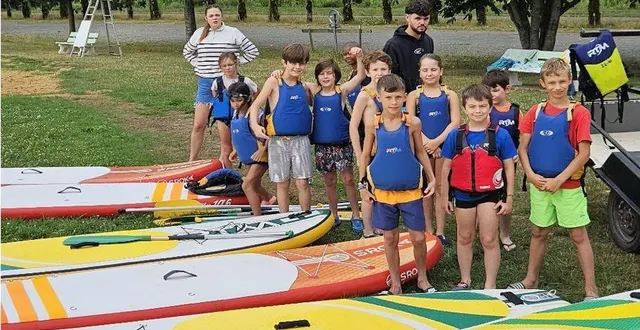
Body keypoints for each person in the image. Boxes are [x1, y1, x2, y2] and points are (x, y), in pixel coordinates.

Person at [508, 59, 599, 301]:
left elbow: (584, 154)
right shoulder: (535, 113)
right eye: (552, 82)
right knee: (538, 231)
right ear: (543, 84)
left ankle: (591, 289)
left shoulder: (578, 113)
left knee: (578, 235)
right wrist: (529, 173)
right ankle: (530, 279)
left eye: (561, 81)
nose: (557, 87)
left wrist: (559, 179)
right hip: (539, 185)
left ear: (569, 81)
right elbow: (523, 148)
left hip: (567, 186)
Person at [359, 74, 437, 295]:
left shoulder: (412, 123)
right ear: (379, 98)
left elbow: (421, 152)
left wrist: (431, 178)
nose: (393, 102)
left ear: (404, 97)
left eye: (397, 97)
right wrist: (362, 184)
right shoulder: (373, 123)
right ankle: (395, 282)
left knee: (418, 237)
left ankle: (422, 277)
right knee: (390, 237)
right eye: (388, 97)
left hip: (411, 191)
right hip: (383, 194)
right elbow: (365, 155)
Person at [272, 49, 366, 231]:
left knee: (348, 180)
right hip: (323, 147)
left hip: (341, 145)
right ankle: (334, 214)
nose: (325, 77)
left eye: (329, 73)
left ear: (336, 75)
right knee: (329, 181)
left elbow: (360, 76)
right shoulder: (312, 90)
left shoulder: (342, 91)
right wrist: (276, 73)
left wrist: (360, 58)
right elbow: (289, 78)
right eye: (322, 74)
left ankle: (356, 213)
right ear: (317, 77)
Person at [441, 84, 516, 291]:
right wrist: (444, 196)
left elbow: (509, 166)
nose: (478, 111)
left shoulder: (500, 135)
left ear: (490, 107)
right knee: (464, 237)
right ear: (465, 108)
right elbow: (446, 167)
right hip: (463, 194)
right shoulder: (454, 136)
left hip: (489, 195)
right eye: (472, 106)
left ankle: (490, 284)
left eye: (482, 106)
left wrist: (508, 197)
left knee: (489, 238)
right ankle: (465, 280)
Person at [183, 4, 259, 162]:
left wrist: (234, 65)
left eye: (217, 15)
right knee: (199, 124)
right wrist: (198, 64)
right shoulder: (199, 34)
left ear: (222, 16)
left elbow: (253, 51)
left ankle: (227, 161)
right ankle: (191, 160)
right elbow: (187, 51)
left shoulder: (233, 33)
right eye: (211, 16)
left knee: (227, 123)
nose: (214, 18)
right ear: (206, 18)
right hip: (205, 82)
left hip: (226, 84)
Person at [249, 44, 314, 214]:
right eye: (293, 63)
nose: (297, 67)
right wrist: (255, 126)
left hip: (300, 140)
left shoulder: (306, 86)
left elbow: (334, 88)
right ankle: (284, 216)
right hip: (278, 142)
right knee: (282, 182)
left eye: (301, 64)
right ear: (284, 63)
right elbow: (255, 106)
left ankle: (306, 215)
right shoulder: (274, 82)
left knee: (302, 182)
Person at [406, 54, 460, 245]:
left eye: (434, 69)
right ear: (419, 72)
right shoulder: (414, 96)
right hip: (422, 147)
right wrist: (427, 143)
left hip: (444, 147)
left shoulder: (449, 95)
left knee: (440, 187)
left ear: (441, 71)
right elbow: (410, 121)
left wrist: (437, 142)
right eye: (425, 70)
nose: (430, 73)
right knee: (427, 189)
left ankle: (441, 231)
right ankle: (428, 229)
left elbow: (455, 122)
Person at [349, 50, 393, 238]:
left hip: (387, 151)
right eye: (375, 69)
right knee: (367, 191)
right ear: (367, 72)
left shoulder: (391, 93)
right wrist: (359, 154)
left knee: (383, 190)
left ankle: (379, 226)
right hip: (369, 151)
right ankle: (367, 231)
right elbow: (353, 127)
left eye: (383, 69)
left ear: (389, 70)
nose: (379, 72)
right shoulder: (364, 95)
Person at [482, 69, 524, 252]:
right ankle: (486, 233)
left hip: (508, 163)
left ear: (507, 89)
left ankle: (504, 234)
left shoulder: (516, 112)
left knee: (506, 198)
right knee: (486, 198)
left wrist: (520, 155)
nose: (492, 94)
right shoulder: (485, 111)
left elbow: (524, 137)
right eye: (488, 90)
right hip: (488, 162)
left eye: (495, 89)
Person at [227, 82, 275, 216]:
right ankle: (269, 199)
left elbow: (269, 135)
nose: (235, 104)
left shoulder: (257, 115)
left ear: (248, 99)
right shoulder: (236, 114)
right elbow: (242, 134)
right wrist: (236, 150)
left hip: (261, 156)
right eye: (232, 101)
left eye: (239, 100)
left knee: (247, 185)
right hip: (249, 155)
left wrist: (262, 150)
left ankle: (257, 216)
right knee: (256, 185)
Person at [211, 52, 260, 169]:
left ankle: (250, 171)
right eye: (224, 66)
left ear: (236, 64)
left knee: (245, 143)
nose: (227, 68)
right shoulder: (217, 82)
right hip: (224, 119)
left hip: (242, 117)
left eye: (230, 64)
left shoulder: (245, 81)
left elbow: (257, 92)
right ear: (220, 67)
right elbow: (215, 94)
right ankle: (229, 174)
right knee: (225, 147)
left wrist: (252, 107)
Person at [382, 0, 434, 93]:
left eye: (426, 19)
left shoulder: (428, 41)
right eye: (417, 18)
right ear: (407, 18)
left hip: (424, 95)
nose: (422, 22)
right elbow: (387, 77)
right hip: (402, 98)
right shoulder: (393, 45)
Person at [342, 41, 371, 110]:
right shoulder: (352, 73)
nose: (347, 57)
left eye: (350, 54)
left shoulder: (366, 73)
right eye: (345, 54)